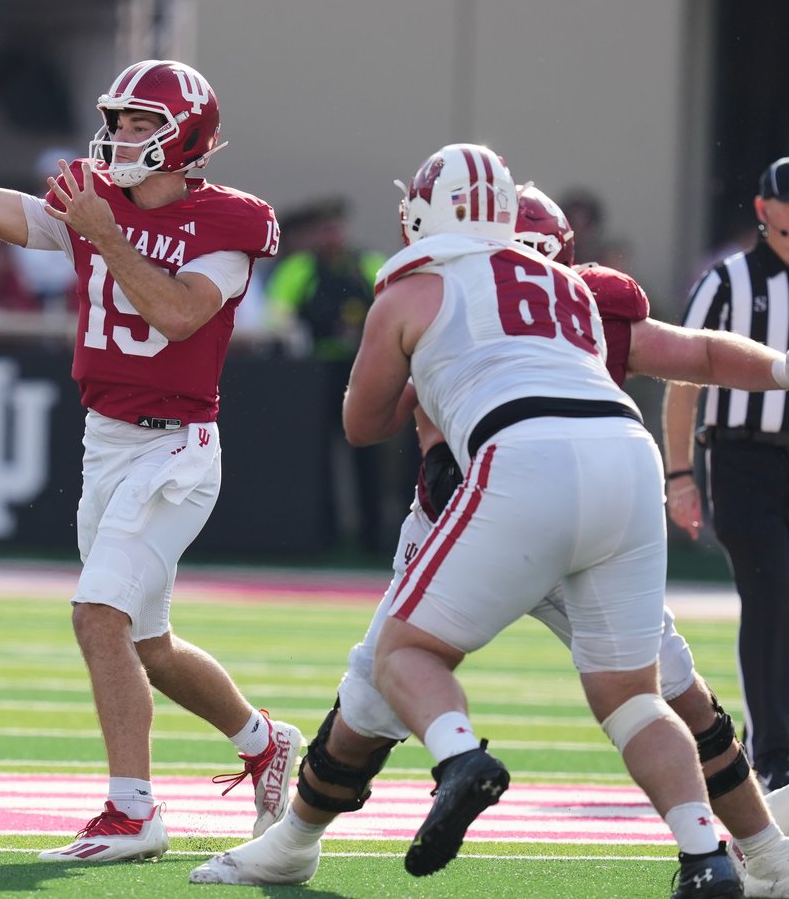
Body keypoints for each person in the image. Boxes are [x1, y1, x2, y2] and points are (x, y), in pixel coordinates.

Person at [193, 182, 789, 897]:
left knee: (393, 675)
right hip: (560, 502)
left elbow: (370, 420)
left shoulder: (455, 293)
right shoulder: (553, 295)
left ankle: (764, 854)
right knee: (648, 695)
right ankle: (745, 854)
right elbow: (699, 354)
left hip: (501, 503)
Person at [0, 55, 302, 862]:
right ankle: (264, 740)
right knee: (146, 644)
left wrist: (105, 233)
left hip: (175, 447)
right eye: (119, 121)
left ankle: (133, 813)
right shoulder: (93, 200)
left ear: (185, 138)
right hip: (106, 442)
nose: (122, 137)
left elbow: (177, 315)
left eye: (142, 124)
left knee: (99, 615)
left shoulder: (225, 222)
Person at [664, 156, 789, 795]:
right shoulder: (727, 282)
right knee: (770, 597)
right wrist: (680, 472)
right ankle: (776, 754)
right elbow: (684, 376)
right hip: (743, 460)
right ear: (763, 211)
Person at [265, 196, 391, 554]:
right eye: (324, 230)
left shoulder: (368, 263)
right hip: (316, 375)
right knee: (316, 456)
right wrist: (297, 334)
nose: (331, 236)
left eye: (336, 228)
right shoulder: (300, 268)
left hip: (361, 370)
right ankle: (322, 536)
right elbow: (276, 315)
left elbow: (391, 303)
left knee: (367, 449)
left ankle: (373, 538)